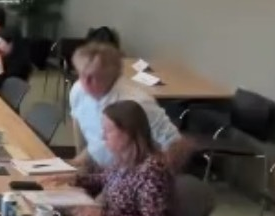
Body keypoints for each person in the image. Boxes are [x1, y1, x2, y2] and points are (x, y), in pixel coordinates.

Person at [45, 100, 178, 216]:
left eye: (108, 131)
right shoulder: (124, 158)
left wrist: (103, 215)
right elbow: (105, 178)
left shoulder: (153, 171)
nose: (103, 136)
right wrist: (73, 179)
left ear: (127, 133)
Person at [69, 42, 191, 173]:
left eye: (93, 77)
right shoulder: (78, 90)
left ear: (112, 76)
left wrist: (152, 175)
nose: (85, 82)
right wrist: (77, 162)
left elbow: (174, 144)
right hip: (99, 168)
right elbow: (89, 133)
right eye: (81, 74)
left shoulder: (137, 103)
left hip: (132, 174)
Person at [0, 25, 33, 92]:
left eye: (0, 42)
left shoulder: (20, 63)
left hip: (5, 96)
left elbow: (2, 87)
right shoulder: (5, 57)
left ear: (12, 43)